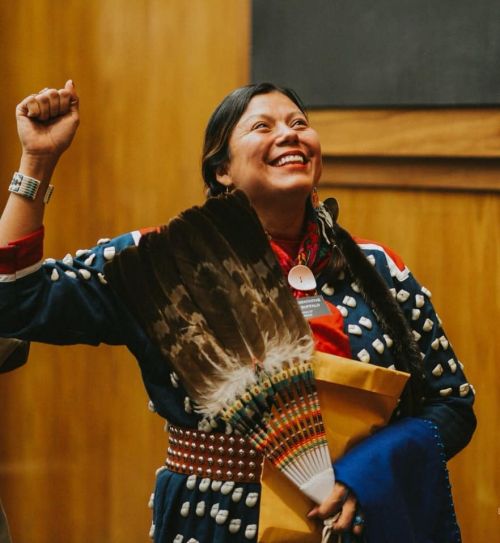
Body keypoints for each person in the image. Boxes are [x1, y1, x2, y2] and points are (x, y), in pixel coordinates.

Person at [0, 81, 476, 543]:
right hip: (216, 522)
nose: (288, 133)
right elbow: (16, 301)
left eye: (298, 123)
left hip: (362, 517)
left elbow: (451, 405)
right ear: (221, 169)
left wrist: (368, 474)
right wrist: (37, 162)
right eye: (262, 127)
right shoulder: (163, 264)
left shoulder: (375, 266)